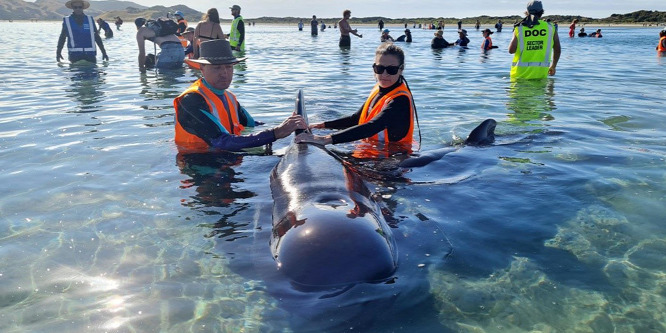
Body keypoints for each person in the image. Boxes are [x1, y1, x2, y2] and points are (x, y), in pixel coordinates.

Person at [174, 39, 306, 152]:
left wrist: (289, 125)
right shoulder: (190, 101)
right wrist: (276, 133)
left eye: (229, 67)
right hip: (199, 166)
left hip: (228, 159)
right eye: (217, 68)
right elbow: (221, 141)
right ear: (202, 68)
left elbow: (252, 124)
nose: (224, 73)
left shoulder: (229, 97)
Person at [295, 43, 415, 149]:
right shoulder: (379, 89)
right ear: (374, 68)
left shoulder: (400, 100)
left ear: (401, 69)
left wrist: (325, 139)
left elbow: (372, 127)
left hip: (392, 157)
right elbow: (356, 119)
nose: (384, 74)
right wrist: (323, 125)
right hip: (372, 148)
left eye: (391, 70)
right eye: (379, 68)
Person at [508, 1, 561, 80]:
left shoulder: (520, 28)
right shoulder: (550, 27)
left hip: (519, 75)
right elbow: (557, 49)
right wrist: (553, 66)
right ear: (541, 12)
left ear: (527, 12)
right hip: (540, 75)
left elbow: (511, 50)